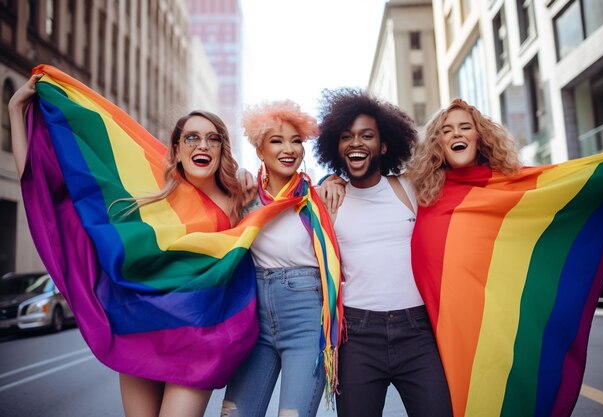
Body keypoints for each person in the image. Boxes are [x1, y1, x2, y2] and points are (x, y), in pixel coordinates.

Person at [8, 72, 254, 417]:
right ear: (178, 150)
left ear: (222, 149)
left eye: (213, 139)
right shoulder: (144, 199)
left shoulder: (239, 200)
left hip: (198, 342)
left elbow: (288, 189)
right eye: (193, 138)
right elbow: (47, 192)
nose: (203, 145)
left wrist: (334, 180)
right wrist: (15, 109)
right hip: (142, 333)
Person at [405, 98, 603, 417]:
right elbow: (373, 188)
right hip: (435, 339)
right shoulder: (420, 193)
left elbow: (565, 185)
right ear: (437, 143)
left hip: (491, 332)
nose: (457, 134)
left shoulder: (505, 187)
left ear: (479, 136)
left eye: (465, 127)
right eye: (446, 130)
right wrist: (334, 181)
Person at [314, 88, 452, 417]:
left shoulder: (409, 188)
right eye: (346, 137)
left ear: (384, 144)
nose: (356, 143)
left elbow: (466, 180)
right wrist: (325, 179)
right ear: (337, 147)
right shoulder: (329, 199)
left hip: (418, 332)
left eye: (367, 135)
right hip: (357, 337)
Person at [221, 100, 342, 417]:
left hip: (306, 321)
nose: (289, 149)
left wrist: (334, 179)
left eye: (296, 140)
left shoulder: (317, 199)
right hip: (255, 324)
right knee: (234, 414)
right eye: (277, 141)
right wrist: (240, 174)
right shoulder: (244, 197)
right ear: (260, 150)